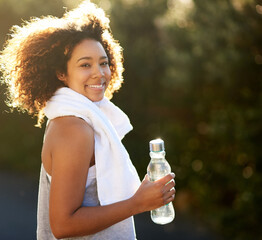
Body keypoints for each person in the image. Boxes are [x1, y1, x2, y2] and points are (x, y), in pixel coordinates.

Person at [0, 1, 175, 239]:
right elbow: (63, 225)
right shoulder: (74, 127)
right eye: (85, 64)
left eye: (103, 63)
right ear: (61, 73)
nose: (99, 73)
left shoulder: (77, 118)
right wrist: (138, 203)